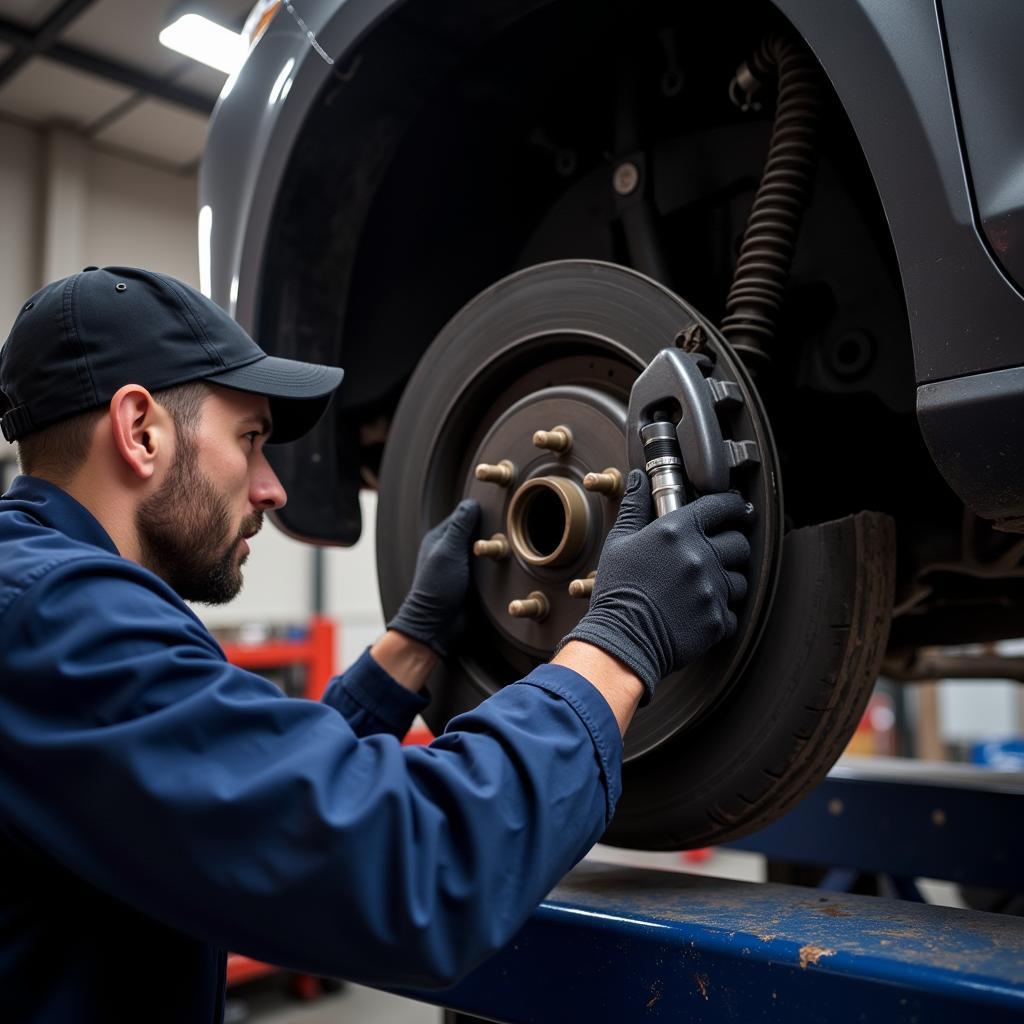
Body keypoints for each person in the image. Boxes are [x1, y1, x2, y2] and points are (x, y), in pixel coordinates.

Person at [0, 266, 751, 1022]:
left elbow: (257, 812)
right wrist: (622, 639)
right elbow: (419, 870)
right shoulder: (56, 621)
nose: (272, 488)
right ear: (140, 431)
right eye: (250, 438)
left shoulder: (41, 604)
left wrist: (412, 644)